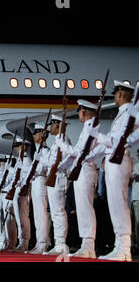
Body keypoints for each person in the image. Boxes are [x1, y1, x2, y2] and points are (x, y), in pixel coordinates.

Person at [88, 80, 136, 261]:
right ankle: (119, 246)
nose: (114, 97)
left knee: (120, 204)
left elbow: (119, 140)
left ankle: (124, 248)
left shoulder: (130, 112)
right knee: (115, 204)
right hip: (113, 160)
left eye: (116, 94)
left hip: (119, 159)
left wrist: (98, 136)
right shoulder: (122, 113)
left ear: (121, 94)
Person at [56, 99, 99, 258]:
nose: (79, 113)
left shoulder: (91, 128)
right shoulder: (87, 128)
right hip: (81, 170)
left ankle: (89, 245)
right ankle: (85, 245)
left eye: (80, 110)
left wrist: (63, 146)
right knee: (82, 208)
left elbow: (79, 153)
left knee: (86, 208)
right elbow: (77, 154)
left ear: (84, 111)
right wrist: (62, 166)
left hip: (86, 169)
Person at [40, 114, 70, 255]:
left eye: (52, 125)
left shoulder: (63, 140)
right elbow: (48, 161)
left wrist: (54, 166)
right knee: (55, 212)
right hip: (53, 178)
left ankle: (61, 244)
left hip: (58, 177)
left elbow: (64, 160)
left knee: (58, 212)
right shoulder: (56, 142)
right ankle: (58, 242)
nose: (50, 128)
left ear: (57, 125)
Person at [27, 124, 50, 254]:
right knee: (36, 214)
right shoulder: (38, 150)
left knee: (41, 213)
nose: (34, 135)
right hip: (35, 182)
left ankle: (43, 243)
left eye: (36, 132)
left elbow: (42, 169)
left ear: (42, 134)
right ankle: (38, 242)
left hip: (40, 180)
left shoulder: (45, 151)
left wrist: (33, 170)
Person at [10, 137, 32, 253]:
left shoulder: (27, 159)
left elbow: (29, 176)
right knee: (19, 217)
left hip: (23, 190)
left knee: (23, 216)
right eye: (17, 146)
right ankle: (21, 241)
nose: (17, 148)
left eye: (19, 146)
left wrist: (22, 186)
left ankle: (24, 242)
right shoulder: (20, 159)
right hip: (17, 190)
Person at [94, 158, 114, 255]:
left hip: (106, 202)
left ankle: (105, 245)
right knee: (97, 224)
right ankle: (98, 245)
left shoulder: (110, 175)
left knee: (105, 225)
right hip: (97, 202)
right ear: (102, 163)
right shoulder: (95, 173)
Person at [131, 149, 139, 255]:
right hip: (136, 198)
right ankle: (137, 244)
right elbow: (131, 175)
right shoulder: (136, 166)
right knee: (136, 224)